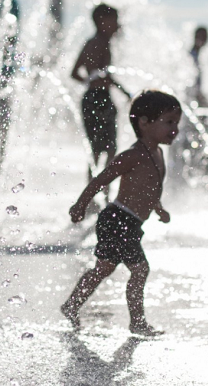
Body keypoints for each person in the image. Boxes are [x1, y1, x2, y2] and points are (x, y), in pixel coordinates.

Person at [60, 90, 182, 336]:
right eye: (168, 122)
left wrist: (159, 208)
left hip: (130, 222)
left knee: (103, 268)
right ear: (144, 123)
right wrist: (80, 205)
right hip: (118, 219)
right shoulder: (132, 155)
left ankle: (71, 304)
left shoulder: (157, 153)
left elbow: (150, 188)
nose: (175, 129)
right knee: (140, 269)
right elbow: (100, 179)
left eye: (176, 123)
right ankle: (137, 322)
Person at [71, 4, 130, 199]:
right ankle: (100, 193)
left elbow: (76, 73)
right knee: (104, 149)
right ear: (102, 22)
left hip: (96, 98)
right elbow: (99, 76)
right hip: (98, 100)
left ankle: (96, 193)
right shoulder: (99, 43)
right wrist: (96, 83)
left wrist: (92, 83)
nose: (117, 25)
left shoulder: (94, 42)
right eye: (114, 20)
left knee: (100, 150)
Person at [188, 26, 208, 107]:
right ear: (195, 37)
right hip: (191, 99)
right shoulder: (190, 56)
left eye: (205, 37)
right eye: (200, 36)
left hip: (195, 97)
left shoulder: (199, 56)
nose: (203, 40)